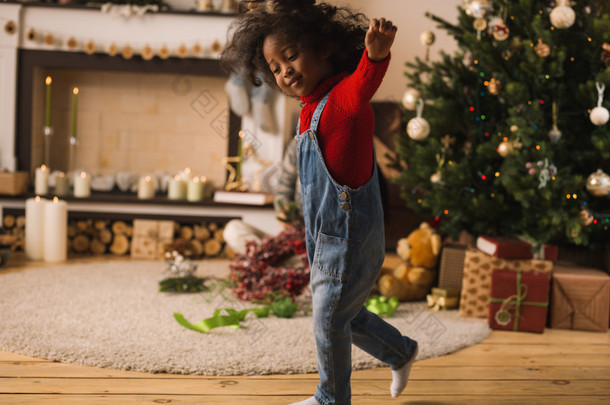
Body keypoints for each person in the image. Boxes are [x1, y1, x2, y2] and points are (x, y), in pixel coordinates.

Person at [221, 1, 418, 404]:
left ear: (324, 48)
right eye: (274, 68)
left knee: (327, 318)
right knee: (341, 315)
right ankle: (400, 351)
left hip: (349, 236)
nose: (284, 71)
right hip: (322, 235)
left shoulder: (345, 99)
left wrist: (376, 55)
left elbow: (365, 82)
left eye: (291, 56)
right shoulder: (308, 111)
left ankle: (331, 398)